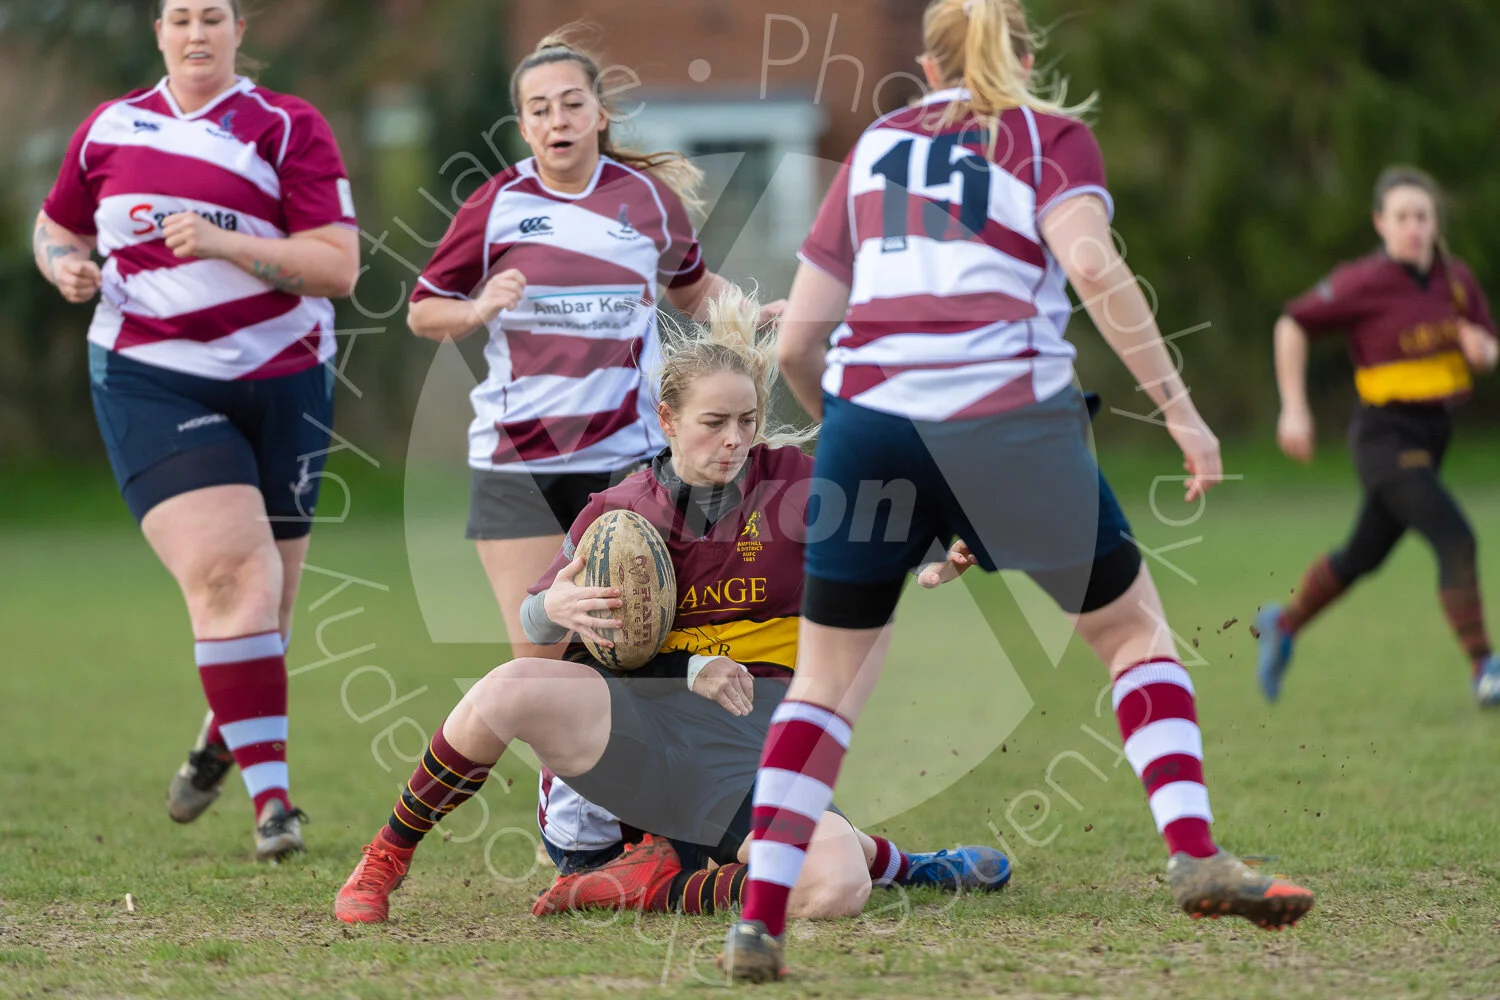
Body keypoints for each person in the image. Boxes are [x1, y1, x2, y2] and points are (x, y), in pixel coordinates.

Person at [721, 0, 1316, 981]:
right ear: (1025, 55)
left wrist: (845, 433)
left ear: (924, 61)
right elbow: (1089, 261)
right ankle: (1194, 853)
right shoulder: (1048, 134)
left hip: (873, 423)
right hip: (1008, 420)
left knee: (823, 685)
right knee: (1131, 634)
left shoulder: (874, 145)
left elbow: (795, 340)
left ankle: (760, 918)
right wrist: (1179, 409)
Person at [333, 290, 1009, 925]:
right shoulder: (618, 514)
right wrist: (556, 605)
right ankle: (384, 858)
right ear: (667, 420)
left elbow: (902, 521)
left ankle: (674, 883)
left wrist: (942, 552)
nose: (734, 440)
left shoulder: (801, 487)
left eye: (747, 422)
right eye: (714, 424)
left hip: (751, 749)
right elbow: (542, 628)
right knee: (508, 686)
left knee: (834, 884)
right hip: (639, 738)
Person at [33, 0, 359, 860]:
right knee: (228, 578)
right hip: (149, 373)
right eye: (180, 16)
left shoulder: (287, 126)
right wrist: (63, 264)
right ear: (159, 30)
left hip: (284, 379)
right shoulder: (108, 127)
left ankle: (224, 736)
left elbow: (337, 266)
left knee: (269, 609)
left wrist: (224, 242)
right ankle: (275, 804)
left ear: (239, 28)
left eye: (213, 15)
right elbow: (55, 224)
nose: (196, 32)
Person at [406, 30, 778, 659]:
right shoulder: (496, 204)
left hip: (625, 456)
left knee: (631, 637)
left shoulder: (647, 199)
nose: (559, 119)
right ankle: (554, 763)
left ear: (600, 115)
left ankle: (622, 758)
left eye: (572, 103)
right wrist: (478, 307)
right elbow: (423, 312)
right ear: (524, 126)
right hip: (515, 460)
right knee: (542, 652)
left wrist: (754, 313)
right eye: (541, 108)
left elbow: (693, 292)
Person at [1256, 167, 1500, 705]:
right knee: (1456, 538)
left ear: (1435, 223)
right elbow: (1290, 324)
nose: (1413, 227)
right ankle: (1486, 668)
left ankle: (1284, 624)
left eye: (1423, 216)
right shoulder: (1363, 281)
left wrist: (1483, 350)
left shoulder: (1456, 280)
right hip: (1383, 438)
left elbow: (1485, 345)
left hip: (1433, 437)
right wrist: (1293, 409)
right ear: (1380, 223)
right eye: (1402, 217)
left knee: (1361, 556)